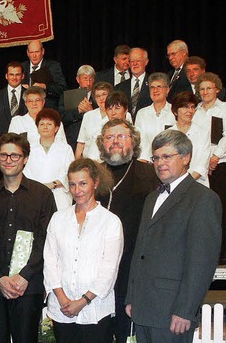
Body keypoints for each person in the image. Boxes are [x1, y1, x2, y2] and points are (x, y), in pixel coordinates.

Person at [126, 130, 222, 343]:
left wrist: (186, 310)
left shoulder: (203, 199)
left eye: (167, 156)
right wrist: (132, 296)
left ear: (186, 158)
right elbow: (140, 250)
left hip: (173, 313)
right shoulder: (151, 198)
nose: (160, 163)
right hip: (143, 307)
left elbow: (202, 262)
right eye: (156, 157)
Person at [43, 158, 123, 343]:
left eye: (83, 183)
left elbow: (109, 269)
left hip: (95, 309)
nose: (77, 190)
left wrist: (83, 301)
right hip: (61, 308)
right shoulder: (58, 218)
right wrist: (62, 299)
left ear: (95, 183)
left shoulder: (110, 221)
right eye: (72, 184)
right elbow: (50, 261)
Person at [95, 119, 160, 343]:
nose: (115, 142)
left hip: (132, 269)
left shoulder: (150, 174)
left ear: (134, 141)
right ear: (101, 143)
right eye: (109, 137)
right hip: (96, 269)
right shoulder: (91, 175)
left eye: (121, 136)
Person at [0, 133, 57, 343]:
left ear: (25, 158)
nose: (8, 160)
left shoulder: (43, 195)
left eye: (15, 156)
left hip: (29, 286)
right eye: (4, 155)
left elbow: (46, 240)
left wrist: (24, 275)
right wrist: (0, 277)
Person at [193, 73, 226, 262]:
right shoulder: (195, 111)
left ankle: (222, 253)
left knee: (220, 209)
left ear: (217, 90)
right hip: (200, 166)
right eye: (202, 88)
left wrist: (215, 156)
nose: (205, 92)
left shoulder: (224, 109)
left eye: (209, 88)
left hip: (219, 165)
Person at [24, 108, 74, 209]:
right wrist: (38, 188)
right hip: (34, 195)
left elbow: (70, 173)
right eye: (42, 124)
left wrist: (53, 184)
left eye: (49, 124)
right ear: (37, 128)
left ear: (56, 128)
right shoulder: (29, 149)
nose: (45, 127)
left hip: (59, 196)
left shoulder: (65, 148)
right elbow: (25, 173)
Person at [77, 89, 133, 162]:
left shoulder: (136, 132)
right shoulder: (99, 134)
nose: (113, 113)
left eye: (117, 108)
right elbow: (93, 160)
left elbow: (142, 158)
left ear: (126, 110)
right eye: (110, 109)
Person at [169, 92, 211, 187]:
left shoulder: (203, 133)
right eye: (185, 107)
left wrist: (184, 183)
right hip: (172, 184)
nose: (190, 111)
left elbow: (202, 164)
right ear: (175, 111)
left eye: (192, 107)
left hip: (198, 185)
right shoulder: (168, 134)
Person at [134, 72, 176, 161]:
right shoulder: (142, 114)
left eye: (159, 87)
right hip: (147, 162)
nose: (155, 90)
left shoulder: (175, 112)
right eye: (152, 87)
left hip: (170, 162)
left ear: (167, 90)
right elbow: (140, 142)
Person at [58, 65, 97, 150]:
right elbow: (61, 117)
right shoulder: (68, 95)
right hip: (72, 138)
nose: (88, 83)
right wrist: (78, 111)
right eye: (85, 79)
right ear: (78, 79)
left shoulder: (98, 96)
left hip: (92, 139)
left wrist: (91, 111)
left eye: (91, 79)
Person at [21, 40, 67, 109]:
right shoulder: (22, 67)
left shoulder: (53, 66)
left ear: (43, 51)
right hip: (25, 109)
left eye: (37, 52)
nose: (34, 55)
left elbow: (62, 88)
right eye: (31, 52)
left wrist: (45, 86)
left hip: (47, 109)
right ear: (27, 53)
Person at [0, 61, 28, 137]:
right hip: (2, 142)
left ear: (23, 76)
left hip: (24, 142)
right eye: (11, 74)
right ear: (6, 76)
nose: (14, 78)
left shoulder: (29, 95)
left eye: (18, 75)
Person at [116, 48, 151, 119]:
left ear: (146, 62)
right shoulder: (119, 87)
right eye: (132, 61)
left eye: (138, 61)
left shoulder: (153, 84)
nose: (135, 64)